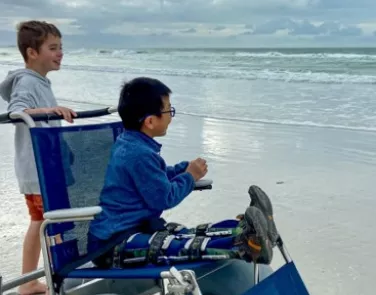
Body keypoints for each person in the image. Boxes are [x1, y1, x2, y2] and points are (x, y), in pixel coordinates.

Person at [87, 77, 280, 269]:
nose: (171, 115)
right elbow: (164, 197)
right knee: (179, 245)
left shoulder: (131, 144)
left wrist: (182, 169)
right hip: (113, 244)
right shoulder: (139, 154)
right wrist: (189, 177)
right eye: (168, 110)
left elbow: (155, 178)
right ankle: (248, 244)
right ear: (151, 121)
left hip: (134, 229)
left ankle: (249, 228)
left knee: (188, 233)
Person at [0, 20, 76, 295]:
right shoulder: (27, 82)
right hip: (39, 171)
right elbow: (17, 111)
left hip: (41, 170)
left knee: (39, 222)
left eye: (60, 47)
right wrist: (50, 110)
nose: (60, 53)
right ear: (32, 52)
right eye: (53, 48)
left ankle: (28, 281)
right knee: (54, 224)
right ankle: (59, 283)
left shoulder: (40, 82)